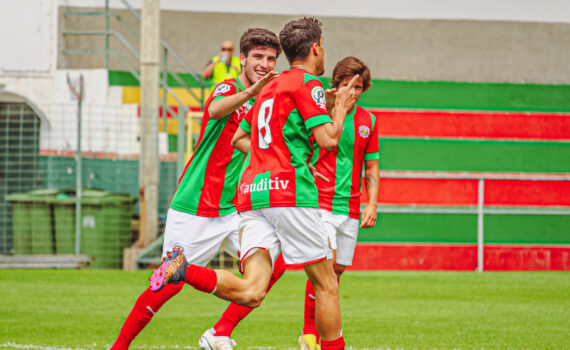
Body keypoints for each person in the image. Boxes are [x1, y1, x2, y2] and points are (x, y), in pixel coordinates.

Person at [149, 17, 357, 350]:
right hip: (289, 193)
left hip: (252, 195)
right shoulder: (308, 84)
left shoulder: (269, 88)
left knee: (252, 290)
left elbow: (240, 138)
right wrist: (342, 109)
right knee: (326, 283)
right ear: (316, 48)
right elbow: (330, 139)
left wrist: (274, 151)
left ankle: (183, 269)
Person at [109, 28, 282, 350]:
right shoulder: (228, 88)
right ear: (242, 58)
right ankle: (117, 348)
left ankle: (218, 332)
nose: (264, 63)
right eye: (257, 57)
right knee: (167, 286)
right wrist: (251, 92)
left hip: (234, 209)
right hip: (196, 204)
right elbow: (215, 110)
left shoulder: (267, 100)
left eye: (270, 59)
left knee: (274, 264)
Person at [298, 57, 380, 350]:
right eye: (347, 85)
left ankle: (320, 331)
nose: (352, 91)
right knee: (325, 270)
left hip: (352, 208)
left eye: (358, 86)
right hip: (321, 203)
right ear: (336, 85)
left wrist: (372, 204)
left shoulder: (368, 121)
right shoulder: (322, 113)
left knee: (338, 271)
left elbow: (371, 167)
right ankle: (312, 335)